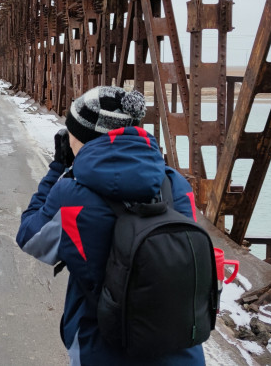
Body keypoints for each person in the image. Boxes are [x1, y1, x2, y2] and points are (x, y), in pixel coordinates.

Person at [16, 86, 205, 365]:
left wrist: (58, 168)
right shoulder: (175, 184)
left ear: (83, 138)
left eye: (71, 133)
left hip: (102, 348)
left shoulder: (70, 196)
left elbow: (30, 237)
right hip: (180, 346)